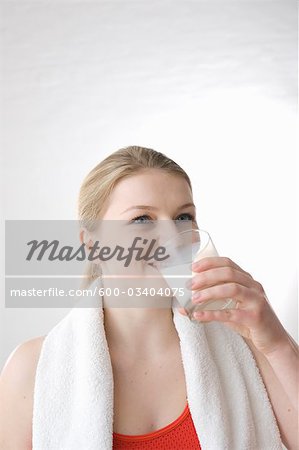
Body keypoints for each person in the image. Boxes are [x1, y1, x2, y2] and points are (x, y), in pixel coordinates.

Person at [0, 145, 298, 449]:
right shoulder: (32, 369)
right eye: (142, 219)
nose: (172, 237)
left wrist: (276, 343)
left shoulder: (247, 343)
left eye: (184, 217)